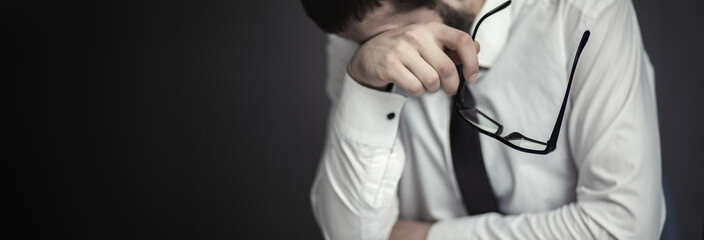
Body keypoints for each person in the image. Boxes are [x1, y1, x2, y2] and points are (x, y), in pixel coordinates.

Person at [301, 0, 665, 239]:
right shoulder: (360, 38)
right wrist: (364, 86)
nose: (389, 49)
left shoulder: (586, 14)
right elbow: (351, 234)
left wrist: (424, 237)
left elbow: (625, 228)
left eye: (401, 35)